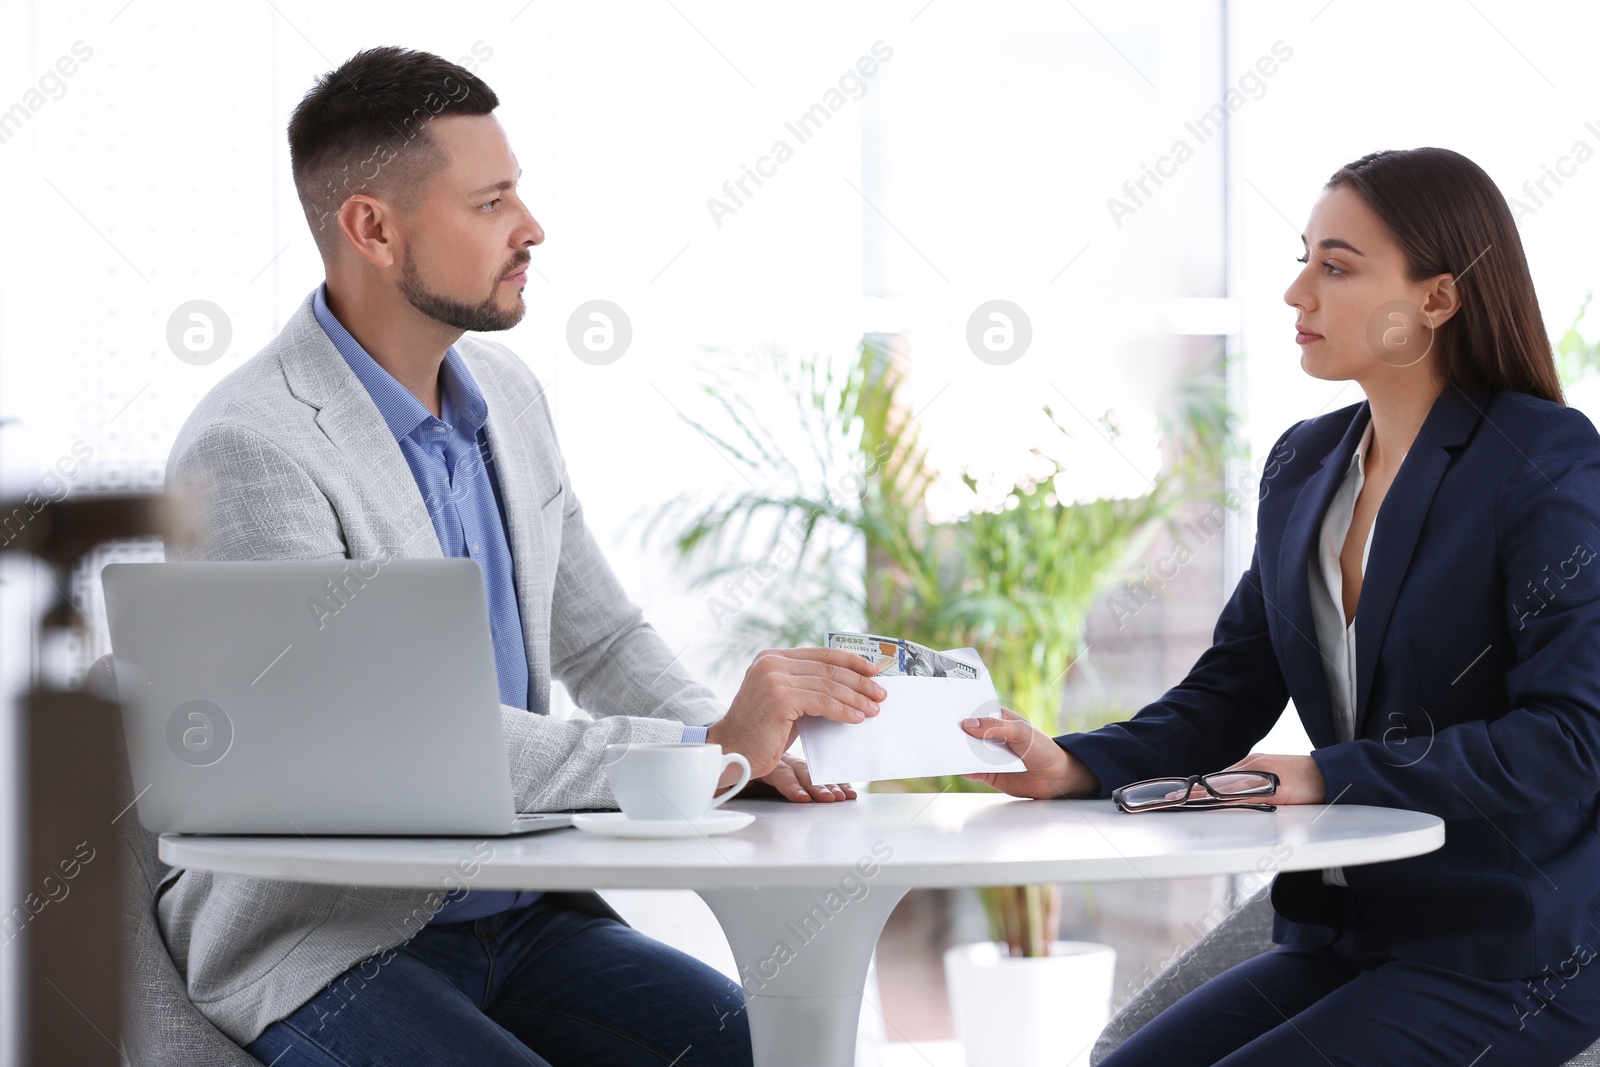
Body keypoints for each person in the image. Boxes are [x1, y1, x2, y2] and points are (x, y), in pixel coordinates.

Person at [162, 46, 885, 1067]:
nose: (532, 227)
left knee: (765, 1052)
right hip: (338, 937)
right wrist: (706, 751)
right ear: (372, 227)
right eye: (491, 201)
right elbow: (399, 748)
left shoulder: (507, 393)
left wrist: (754, 760)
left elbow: (605, 634)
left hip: (525, 915)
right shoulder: (252, 447)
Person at [961, 146, 1600, 1066]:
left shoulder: (1541, 459)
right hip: (1348, 930)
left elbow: (1572, 739)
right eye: (1303, 258)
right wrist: (1069, 763)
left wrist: (1327, 774)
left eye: (1336, 266)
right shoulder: (1305, 463)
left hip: (1506, 948)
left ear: (1438, 298)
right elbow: (1230, 687)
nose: (1297, 292)